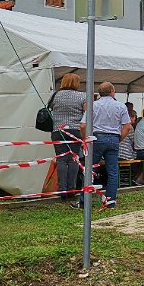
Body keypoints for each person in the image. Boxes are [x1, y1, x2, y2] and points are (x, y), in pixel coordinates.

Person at [79, 81, 130, 208]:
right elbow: (127, 126)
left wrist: (85, 139)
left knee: (89, 169)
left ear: (99, 93)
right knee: (112, 171)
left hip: (97, 138)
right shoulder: (121, 106)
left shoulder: (93, 105)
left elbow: (83, 125)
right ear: (112, 92)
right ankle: (110, 201)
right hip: (113, 138)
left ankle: (84, 202)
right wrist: (118, 139)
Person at [50, 74, 86, 206]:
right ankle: (72, 189)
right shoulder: (82, 96)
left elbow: (51, 108)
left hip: (58, 131)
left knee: (61, 159)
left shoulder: (55, 95)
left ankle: (62, 189)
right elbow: (87, 113)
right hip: (75, 130)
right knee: (73, 159)